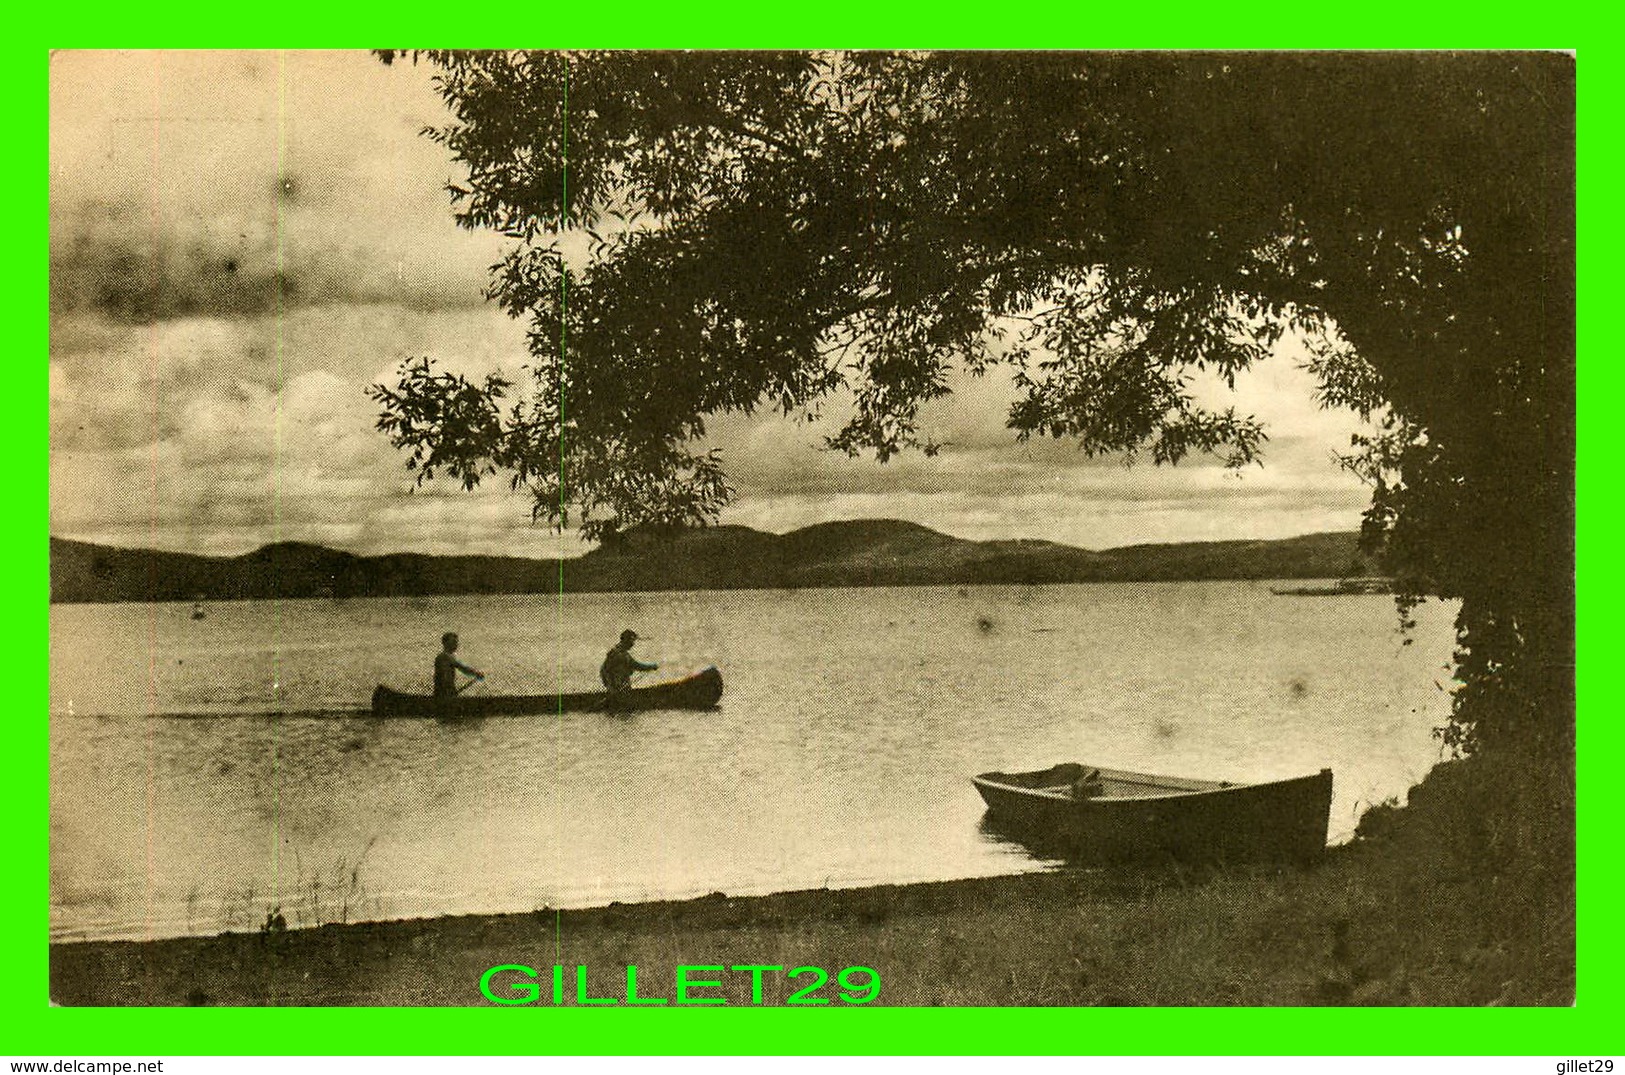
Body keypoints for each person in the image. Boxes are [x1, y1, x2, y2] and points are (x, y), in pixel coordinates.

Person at [600, 629, 657, 707]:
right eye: (632, 641)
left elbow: (603, 670)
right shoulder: (620, 655)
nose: (633, 644)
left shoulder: (619, 653)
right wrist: (611, 687)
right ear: (627, 641)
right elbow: (604, 670)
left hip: (622, 688)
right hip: (618, 689)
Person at [434, 632, 484, 698]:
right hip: (444, 692)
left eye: (456, 642)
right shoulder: (444, 657)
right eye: (453, 642)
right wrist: (476, 673)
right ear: (445, 643)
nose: (456, 645)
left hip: (447, 691)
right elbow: (462, 668)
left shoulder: (449, 657)